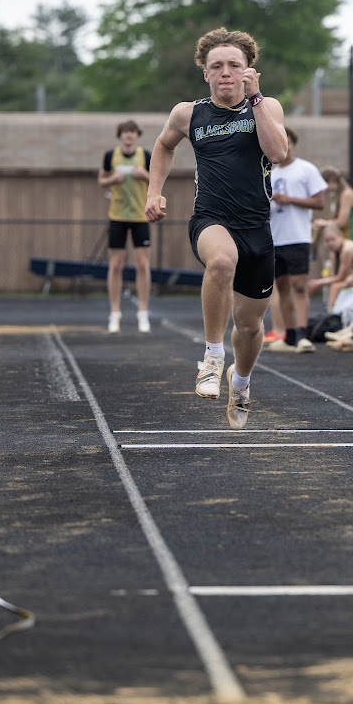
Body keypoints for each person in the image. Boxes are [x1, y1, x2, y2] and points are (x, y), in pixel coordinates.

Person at [145, 27, 287, 430]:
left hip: (256, 227)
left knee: (250, 326)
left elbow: (278, 152)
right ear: (205, 73)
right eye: (217, 66)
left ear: (249, 71)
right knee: (222, 261)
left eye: (234, 65)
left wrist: (255, 99)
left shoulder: (266, 107)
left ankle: (239, 383)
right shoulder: (187, 114)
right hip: (210, 218)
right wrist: (154, 192)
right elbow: (164, 145)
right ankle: (211, 356)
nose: (226, 72)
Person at [266, 126, 327, 353]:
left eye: (288, 142)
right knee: (282, 288)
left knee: (299, 286)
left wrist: (289, 199)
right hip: (275, 238)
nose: (285, 147)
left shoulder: (306, 169)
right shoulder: (270, 174)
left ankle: (302, 334)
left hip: (297, 236)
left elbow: (319, 202)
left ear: (292, 144)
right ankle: (289, 336)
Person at [98, 119, 152, 334]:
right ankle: (114, 312)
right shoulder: (110, 156)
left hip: (140, 216)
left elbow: (157, 179)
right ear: (120, 135)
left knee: (142, 264)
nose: (129, 135)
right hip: (117, 215)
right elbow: (101, 180)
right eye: (125, 132)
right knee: (116, 265)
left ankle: (143, 312)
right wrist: (113, 179)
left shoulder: (145, 156)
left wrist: (144, 175)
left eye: (132, 132)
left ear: (137, 135)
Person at [307, 222, 353, 311]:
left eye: (333, 239)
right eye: (327, 241)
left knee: (335, 286)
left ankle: (331, 313)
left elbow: (340, 277)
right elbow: (335, 275)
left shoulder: (347, 249)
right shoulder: (336, 252)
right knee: (337, 283)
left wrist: (318, 283)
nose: (330, 243)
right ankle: (333, 311)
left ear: (340, 236)